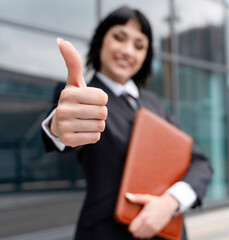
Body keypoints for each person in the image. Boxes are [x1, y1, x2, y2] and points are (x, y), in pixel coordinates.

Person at [41, 6, 213, 240]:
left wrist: (171, 202)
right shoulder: (82, 96)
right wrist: (58, 128)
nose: (127, 51)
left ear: (146, 56)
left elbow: (200, 162)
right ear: (101, 40)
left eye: (139, 45)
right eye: (119, 37)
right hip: (108, 233)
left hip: (168, 230)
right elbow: (66, 127)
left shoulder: (155, 103)